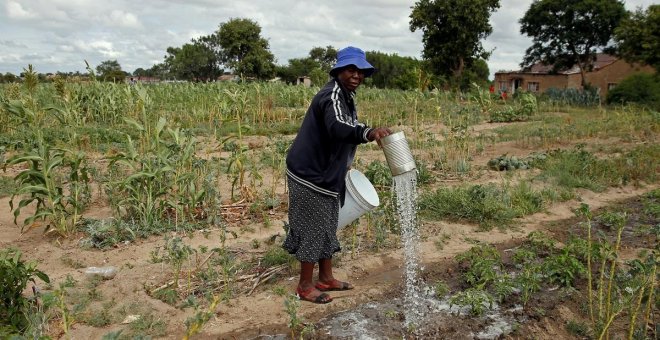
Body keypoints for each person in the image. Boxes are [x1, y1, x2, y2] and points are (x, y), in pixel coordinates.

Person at [283, 46, 391, 304]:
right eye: (351, 69)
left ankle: (325, 278)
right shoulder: (331, 95)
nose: (356, 75)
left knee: (328, 223)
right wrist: (368, 132)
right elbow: (339, 127)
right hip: (309, 173)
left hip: (327, 172)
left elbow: (344, 127)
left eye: (361, 71)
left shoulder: (346, 95)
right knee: (312, 227)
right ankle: (305, 286)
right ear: (339, 71)